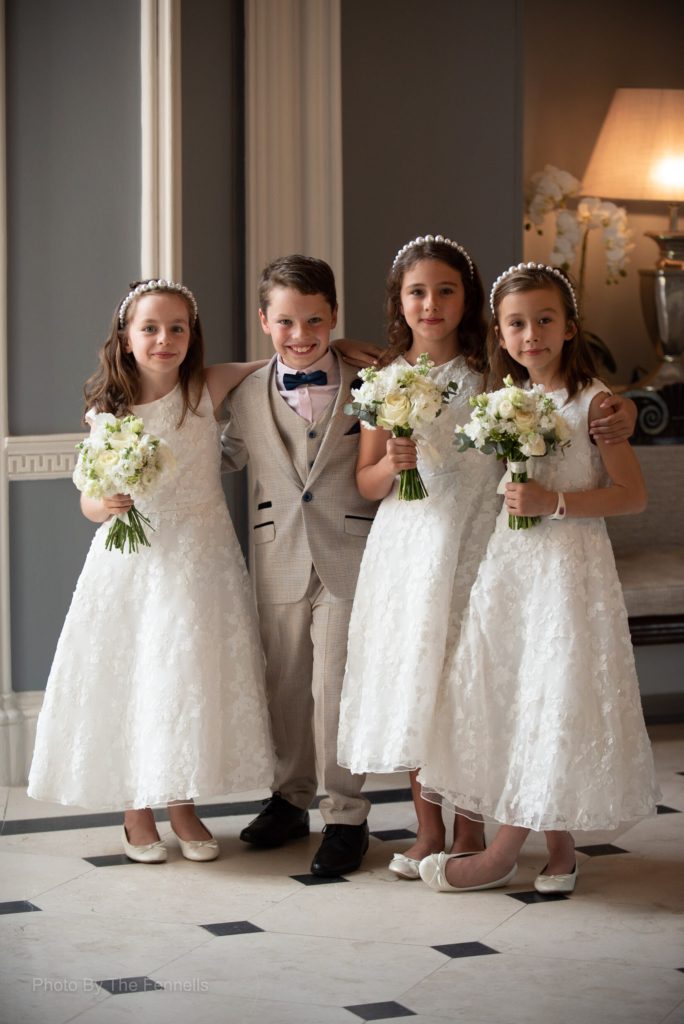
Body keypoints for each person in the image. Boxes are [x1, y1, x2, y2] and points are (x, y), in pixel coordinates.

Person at [336, 237, 639, 881]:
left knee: (464, 682)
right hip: (410, 546)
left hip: (481, 542)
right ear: (399, 302)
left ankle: (472, 830)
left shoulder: (493, 372)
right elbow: (362, 482)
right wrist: (389, 465)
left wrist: (625, 411)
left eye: (447, 290)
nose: (432, 304)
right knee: (419, 681)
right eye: (417, 292)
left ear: (470, 300)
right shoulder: (383, 378)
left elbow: (563, 402)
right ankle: (428, 830)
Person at [418, 262, 660, 895]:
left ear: (570, 328)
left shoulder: (595, 403)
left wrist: (554, 503)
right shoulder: (507, 401)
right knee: (521, 690)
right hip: (512, 564)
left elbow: (631, 496)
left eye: (545, 321)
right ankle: (561, 852)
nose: (532, 335)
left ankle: (502, 852)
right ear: (499, 335)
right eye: (517, 324)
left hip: (568, 567)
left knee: (555, 691)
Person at [28, 279, 277, 863]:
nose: (164, 340)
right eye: (150, 328)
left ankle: (182, 804)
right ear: (126, 336)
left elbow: (279, 358)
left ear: (193, 336)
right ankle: (136, 811)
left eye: (177, 328)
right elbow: (89, 498)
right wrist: (106, 504)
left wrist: (344, 351)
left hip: (201, 556)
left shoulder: (207, 388)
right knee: (140, 675)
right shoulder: (109, 411)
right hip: (134, 560)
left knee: (188, 675)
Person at [221, 255, 383, 877]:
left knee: (336, 684)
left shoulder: (371, 379)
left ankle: (346, 816)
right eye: (286, 321)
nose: (301, 334)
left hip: (350, 550)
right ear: (265, 320)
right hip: (277, 550)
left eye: (315, 319)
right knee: (284, 682)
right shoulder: (243, 392)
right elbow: (226, 455)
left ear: (335, 316)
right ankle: (288, 799)